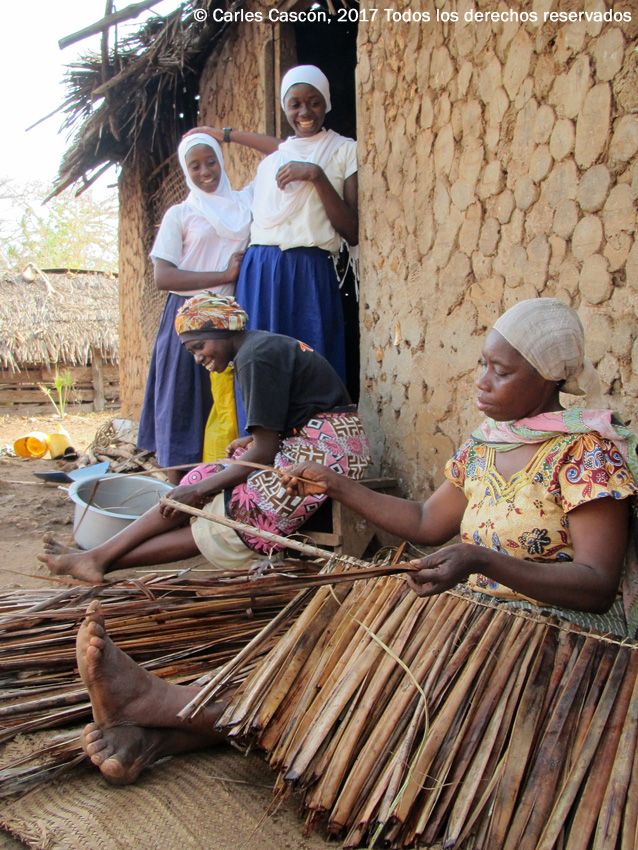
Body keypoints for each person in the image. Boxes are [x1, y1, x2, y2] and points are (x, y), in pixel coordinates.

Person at [72, 298, 638, 788]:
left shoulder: (587, 453)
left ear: (548, 377)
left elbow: (595, 585)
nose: (482, 382)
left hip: (551, 639)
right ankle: (161, 734)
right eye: (483, 365)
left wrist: (480, 560)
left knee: (381, 693)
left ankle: (164, 708)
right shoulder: (487, 444)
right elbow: (425, 522)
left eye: (502, 371)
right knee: (332, 661)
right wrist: (336, 484)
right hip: (477, 613)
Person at [39, 293, 371, 585]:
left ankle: (101, 558)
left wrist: (200, 491)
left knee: (231, 515)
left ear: (224, 329)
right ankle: (99, 554)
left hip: (330, 452)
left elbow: (265, 451)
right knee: (201, 477)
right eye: (191, 351)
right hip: (312, 442)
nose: (198, 357)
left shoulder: (255, 356)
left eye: (199, 346)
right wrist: (243, 447)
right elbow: (285, 422)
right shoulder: (257, 348)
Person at [191, 64, 358, 384]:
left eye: (314, 102)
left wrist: (316, 176)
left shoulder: (344, 150)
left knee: (313, 367)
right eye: (295, 104)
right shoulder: (271, 163)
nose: (304, 112)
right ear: (284, 107)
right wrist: (225, 135)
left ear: (326, 103)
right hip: (262, 272)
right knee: (260, 368)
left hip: (310, 271)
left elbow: (352, 231)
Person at [137, 134, 252, 484]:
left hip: (228, 321)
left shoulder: (244, 202)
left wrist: (227, 134)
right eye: (195, 166)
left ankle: (218, 491)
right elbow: (163, 276)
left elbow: (286, 149)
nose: (205, 172)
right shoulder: (181, 214)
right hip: (187, 317)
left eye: (211, 161)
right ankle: (177, 497)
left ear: (221, 160)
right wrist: (224, 275)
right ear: (186, 171)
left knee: (225, 408)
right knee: (182, 406)